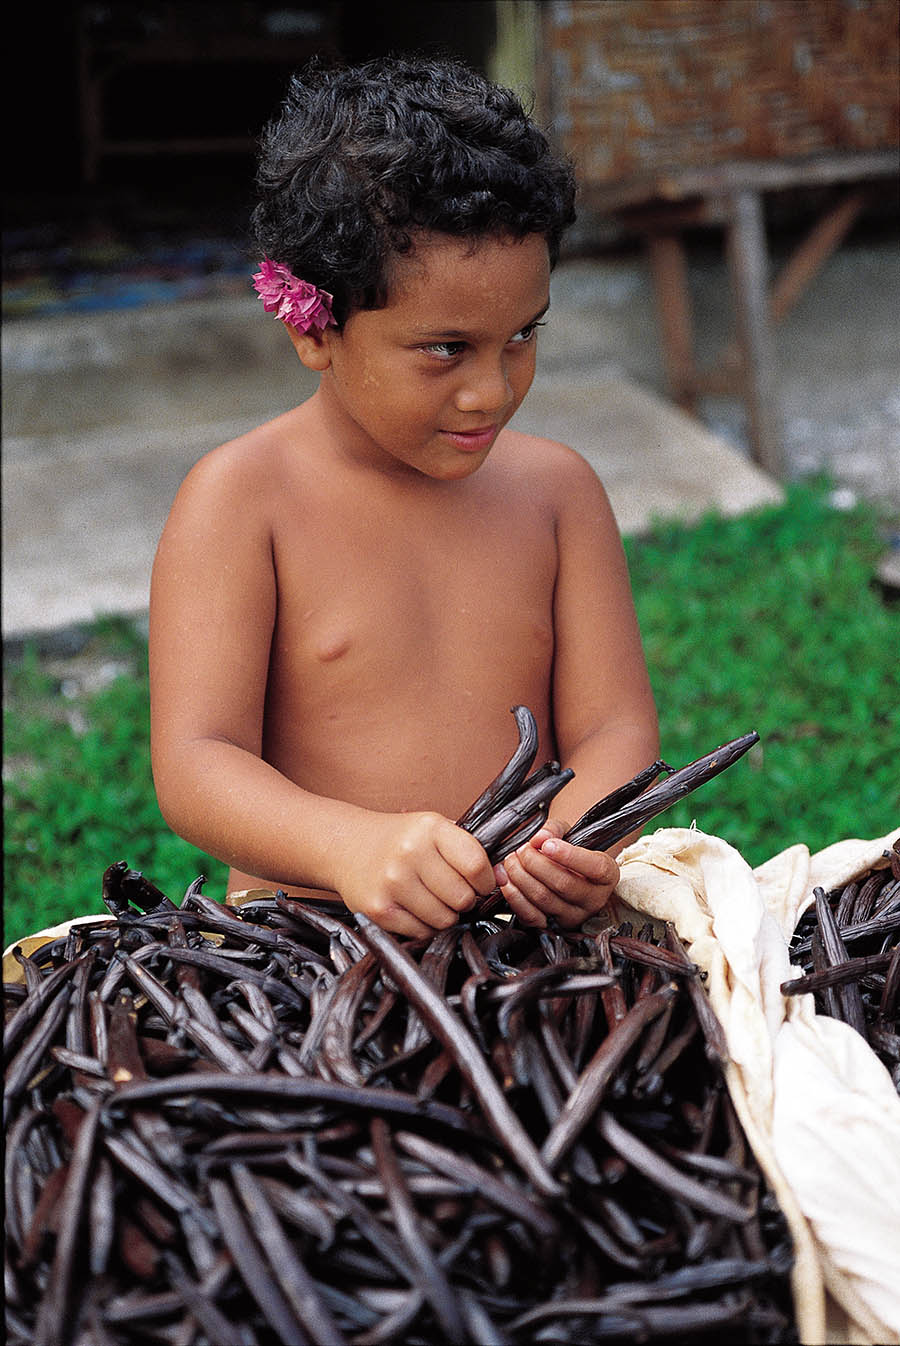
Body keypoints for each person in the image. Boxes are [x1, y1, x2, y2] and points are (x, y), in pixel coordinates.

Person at [149, 55, 659, 937]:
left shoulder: (556, 494)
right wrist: (347, 846)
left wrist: (575, 841)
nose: (492, 392)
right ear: (314, 325)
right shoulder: (242, 502)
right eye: (445, 349)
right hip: (309, 938)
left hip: (525, 935)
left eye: (522, 337)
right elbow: (198, 762)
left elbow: (614, 726)